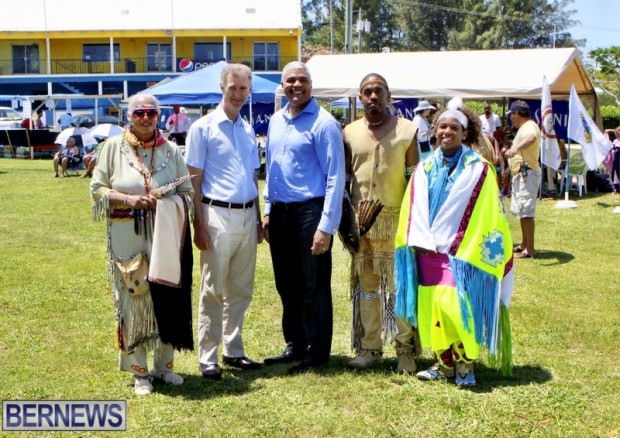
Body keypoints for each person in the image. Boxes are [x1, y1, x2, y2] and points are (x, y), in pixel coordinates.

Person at [394, 107, 514, 387]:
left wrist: (461, 243)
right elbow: (412, 207)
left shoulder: (480, 169)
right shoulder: (424, 168)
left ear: (465, 133)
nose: (446, 132)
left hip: (461, 252)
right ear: (435, 131)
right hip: (427, 249)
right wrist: (419, 239)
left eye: (454, 128)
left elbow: (489, 214)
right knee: (432, 308)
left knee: (457, 307)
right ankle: (443, 363)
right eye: (442, 127)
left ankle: (464, 363)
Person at [90, 93, 194, 396]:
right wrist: (130, 199)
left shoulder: (170, 150)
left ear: (159, 116)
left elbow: (187, 190)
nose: (145, 117)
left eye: (151, 112)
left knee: (166, 293)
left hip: (165, 233)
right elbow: (97, 190)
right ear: (129, 116)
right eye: (139, 113)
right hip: (127, 234)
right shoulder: (112, 148)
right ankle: (139, 371)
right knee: (134, 296)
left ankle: (165, 366)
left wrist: (165, 199)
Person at [262, 61, 345, 374]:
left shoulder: (324, 123)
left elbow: (335, 177)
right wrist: (268, 209)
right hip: (281, 213)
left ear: (311, 84)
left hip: (310, 211)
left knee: (314, 284)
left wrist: (326, 226)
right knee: (287, 283)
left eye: (303, 80)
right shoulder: (276, 121)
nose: (296, 86)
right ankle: (295, 344)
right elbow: (270, 169)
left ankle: (317, 351)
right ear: (282, 85)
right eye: (290, 81)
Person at [185, 64, 264, 381]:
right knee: (213, 288)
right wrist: (199, 225)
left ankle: (233, 350)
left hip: (247, 216)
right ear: (222, 87)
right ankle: (208, 357)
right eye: (233, 87)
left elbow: (253, 176)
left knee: (241, 288)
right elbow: (194, 180)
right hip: (216, 215)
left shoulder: (247, 129)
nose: (238, 93)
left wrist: (258, 218)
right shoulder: (202, 128)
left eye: (244, 88)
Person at [343, 73, 420, 374]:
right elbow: (345, 180)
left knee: (401, 289)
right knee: (368, 289)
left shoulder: (407, 130)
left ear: (389, 95)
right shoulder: (348, 133)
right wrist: (347, 223)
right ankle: (370, 348)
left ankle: (406, 351)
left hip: (398, 222)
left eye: (378, 91)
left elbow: (415, 180)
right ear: (360, 98)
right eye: (367, 92)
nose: (373, 97)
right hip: (361, 224)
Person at [502, 100, 541, 259]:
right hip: (521, 174)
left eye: (511, 114)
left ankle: (530, 249)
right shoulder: (523, 128)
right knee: (521, 211)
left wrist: (515, 148)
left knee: (527, 212)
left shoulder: (530, 127)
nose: (511, 118)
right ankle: (524, 244)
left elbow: (531, 138)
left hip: (528, 173)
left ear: (516, 114)